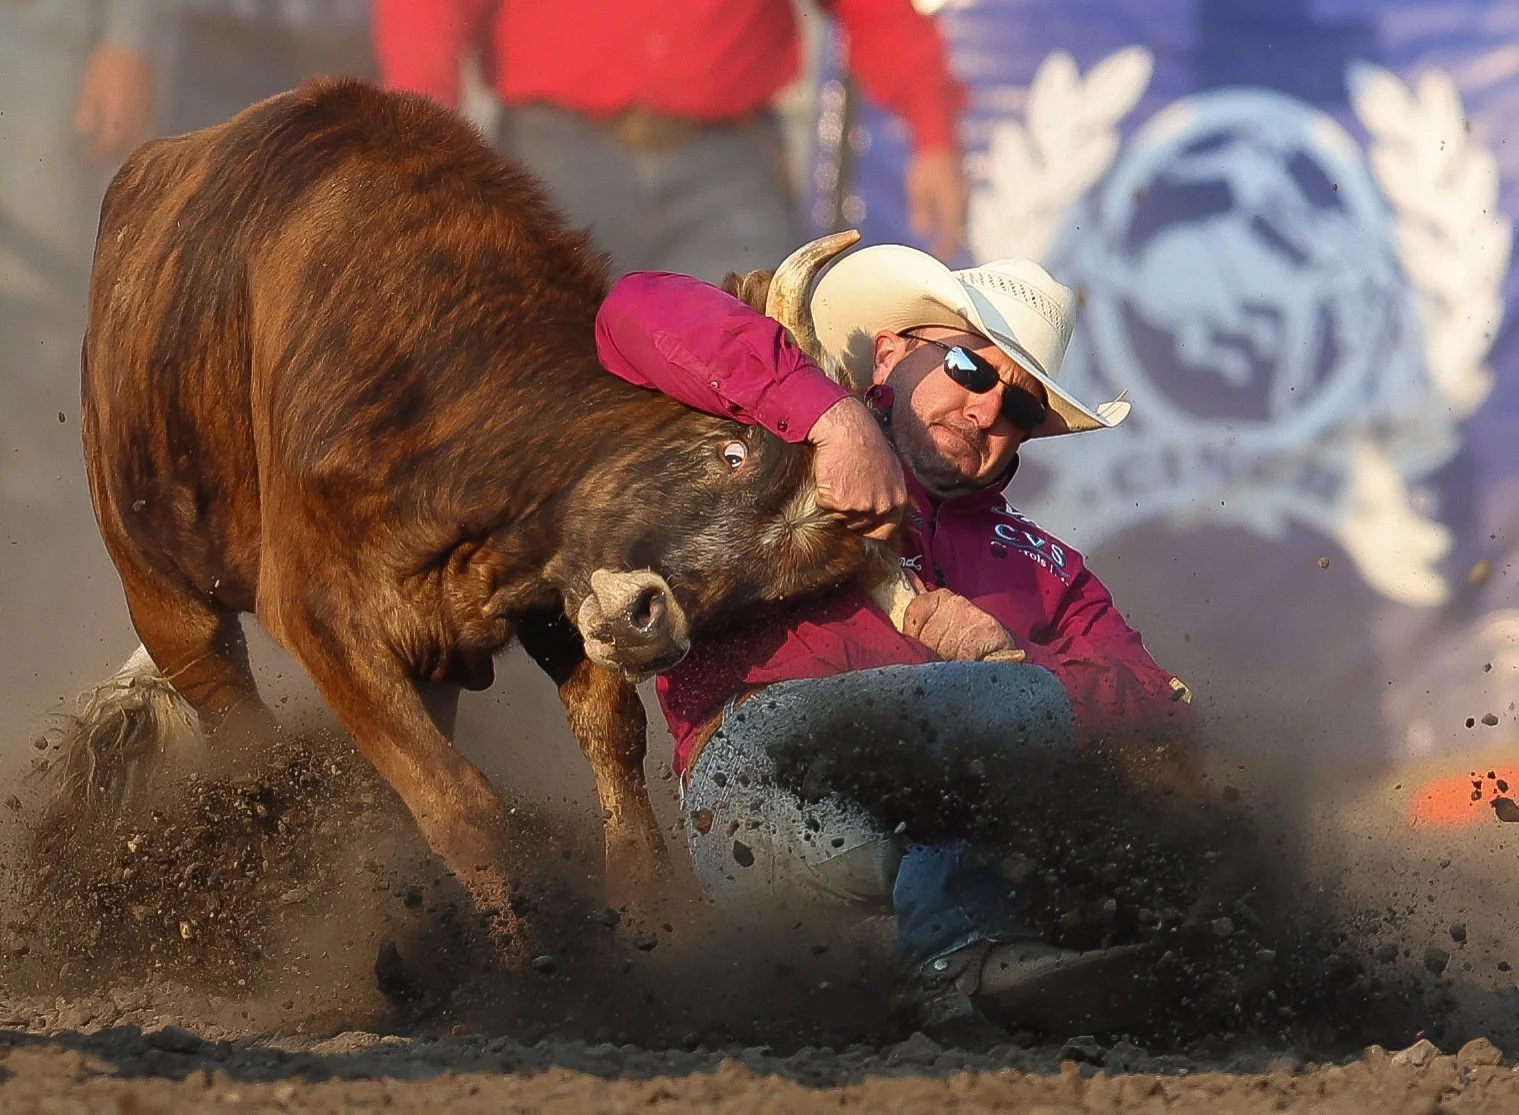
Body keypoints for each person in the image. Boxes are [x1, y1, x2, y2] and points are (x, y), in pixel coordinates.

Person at [593, 243, 1196, 1038]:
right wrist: (834, 420)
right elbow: (633, 309)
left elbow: (1160, 706)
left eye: (1017, 409)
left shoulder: (1047, 564)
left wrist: (1003, 655)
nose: (984, 412)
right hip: (758, 783)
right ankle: (974, 956)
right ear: (891, 350)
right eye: (971, 371)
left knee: (1037, 767)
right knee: (1004, 741)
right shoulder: (777, 443)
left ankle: (968, 965)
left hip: (914, 826)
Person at [371, 0, 967, 280]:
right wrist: (422, 148)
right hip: (554, 161)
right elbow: (428, 10)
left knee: (760, 396)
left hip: (727, 171)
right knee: (546, 401)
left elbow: (879, 8)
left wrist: (933, 132)